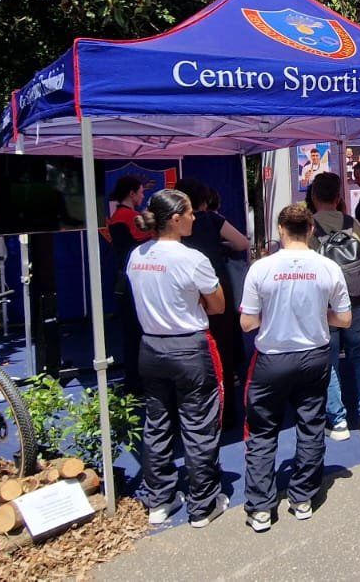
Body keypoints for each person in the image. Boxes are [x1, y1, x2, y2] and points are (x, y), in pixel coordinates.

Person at [238, 204, 351, 532]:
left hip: (272, 358)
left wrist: (273, 317)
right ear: (312, 229)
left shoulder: (261, 269)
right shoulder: (329, 268)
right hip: (314, 356)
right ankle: (302, 498)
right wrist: (316, 316)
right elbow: (343, 318)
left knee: (261, 430)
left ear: (280, 230)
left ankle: (260, 507)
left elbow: (247, 323)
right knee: (311, 424)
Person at [123, 189, 228, 527]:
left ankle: (160, 499)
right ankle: (203, 503)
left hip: (151, 348)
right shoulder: (192, 258)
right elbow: (218, 306)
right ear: (174, 219)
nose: (195, 217)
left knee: (157, 424)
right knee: (199, 425)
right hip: (188, 349)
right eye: (189, 212)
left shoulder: (137, 255)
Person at [307, 172, 360, 440]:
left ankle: (338, 421)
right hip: (355, 301)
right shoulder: (351, 223)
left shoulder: (308, 227)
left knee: (329, 360)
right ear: (339, 197)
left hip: (324, 306)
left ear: (314, 197)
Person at [176, 179, 251, 428]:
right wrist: (220, 246)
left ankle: (195, 413)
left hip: (186, 292)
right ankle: (226, 412)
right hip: (215, 288)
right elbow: (242, 242)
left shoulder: (174, 227)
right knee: (223, 351)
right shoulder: (212, 220)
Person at [106, 175, 153, 392]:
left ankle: (133, 380)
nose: (142, 196)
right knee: (137, 333)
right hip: (135, 281)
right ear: (132, 193)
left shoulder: (116, 216)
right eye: (141, 192)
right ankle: (138, 382)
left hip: (123, 278)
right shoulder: (130, 217)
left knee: (130, 333)